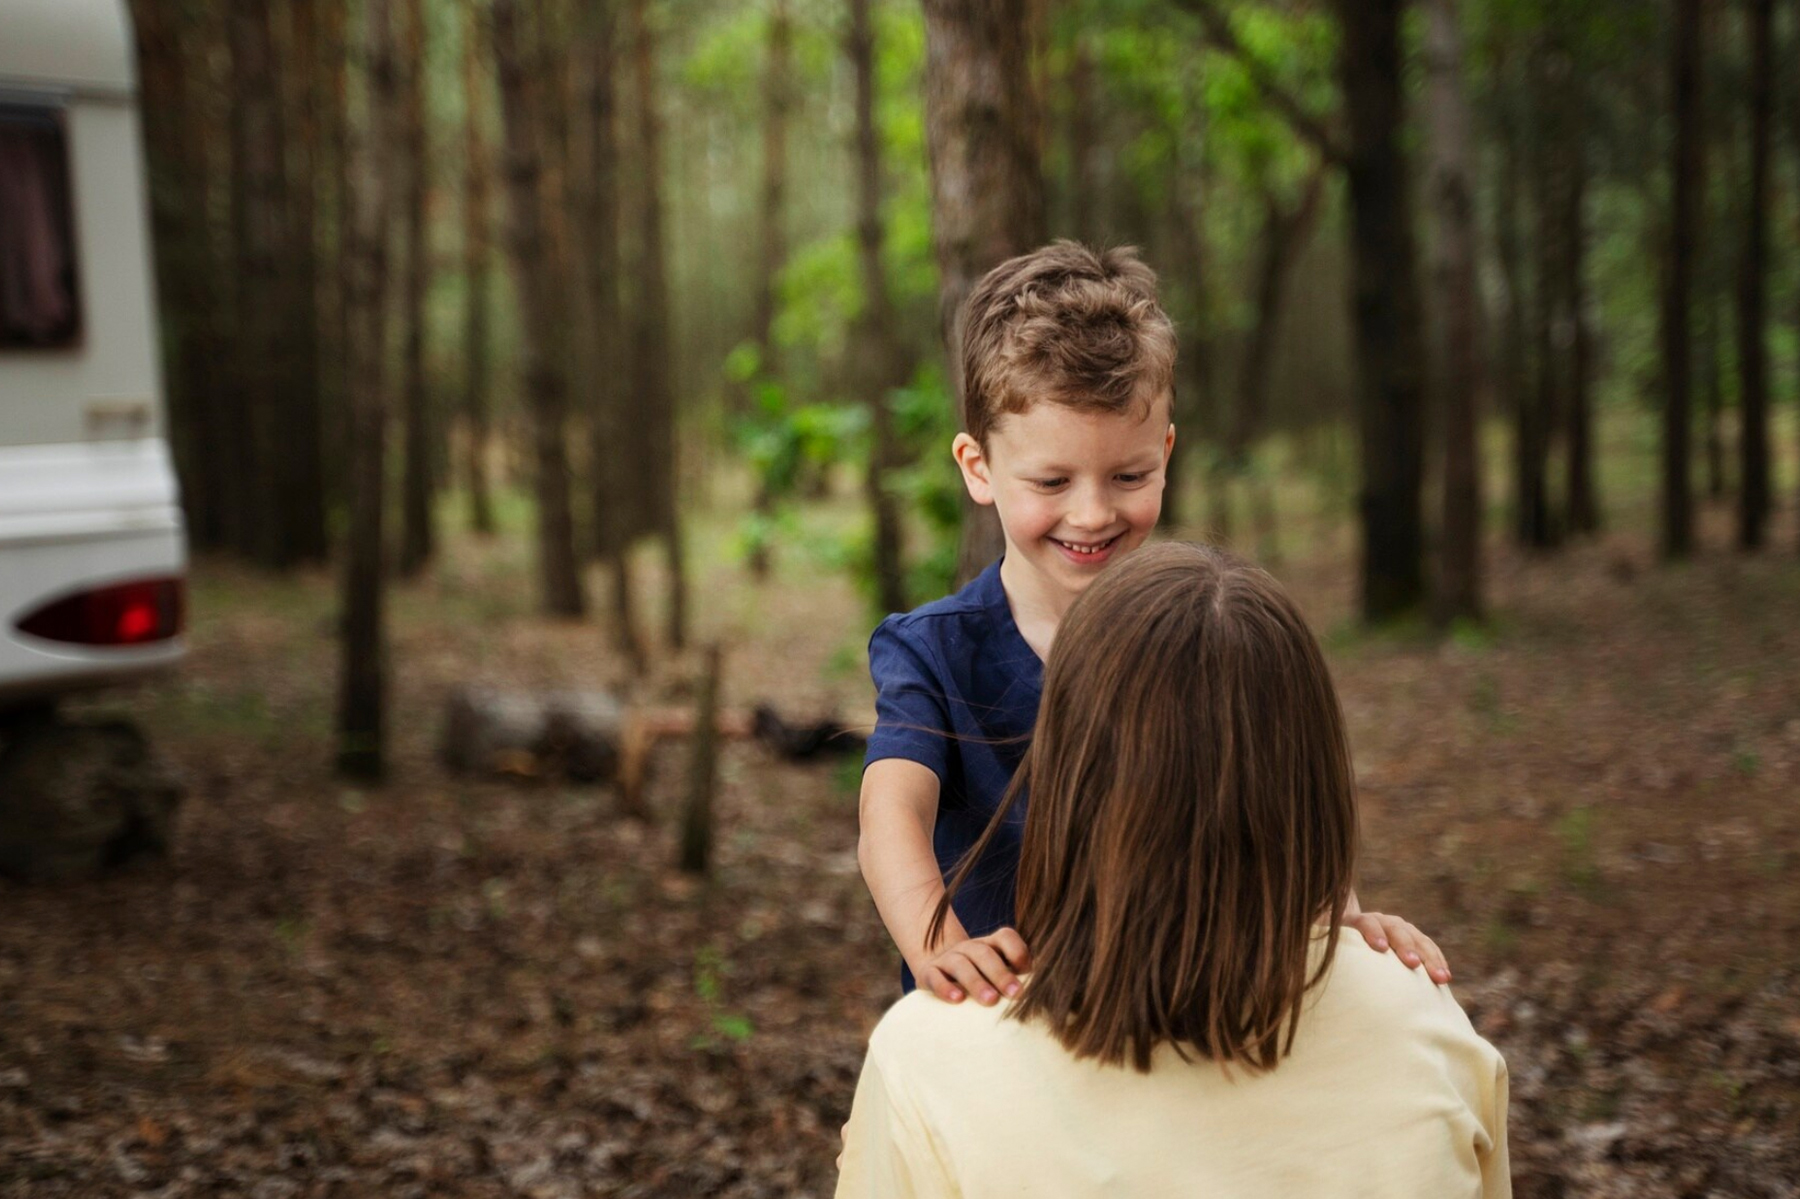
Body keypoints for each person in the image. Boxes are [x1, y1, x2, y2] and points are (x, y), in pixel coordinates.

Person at [858, 241, 1449, 1001]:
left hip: (1175, 1033)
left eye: (1129, 475)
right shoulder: (933, 651)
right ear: (978, 467)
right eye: (1052, 480)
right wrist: (939, 946)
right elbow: (890, 813)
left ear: (1166, 453)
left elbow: (1282, 810)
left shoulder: (1210, 632)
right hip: (998, 1042)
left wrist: (1341, 926)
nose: (1094, 512)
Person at [837, 543, 1510, 1198]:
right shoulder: (1426, 1021)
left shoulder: (931, 1064)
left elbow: (888, 811)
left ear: (1066, 777)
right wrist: (1348, 945)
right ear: (1314, 773)